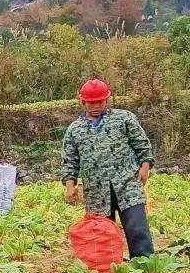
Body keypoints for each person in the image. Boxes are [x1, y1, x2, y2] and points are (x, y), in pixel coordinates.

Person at [61, 78, 154, 258]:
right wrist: (70, 185)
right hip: (96, 190)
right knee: (101, 232)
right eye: (91, 102)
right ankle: (107, 266)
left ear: (107, 100)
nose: (96, 105)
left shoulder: (124, 118)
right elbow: (69, 160)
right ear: (83, 102)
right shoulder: (74, 130)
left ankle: (144, 264)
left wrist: (145, 166)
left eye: (100, 101)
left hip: (128, 183)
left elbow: (142, 145)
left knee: (137, 226)